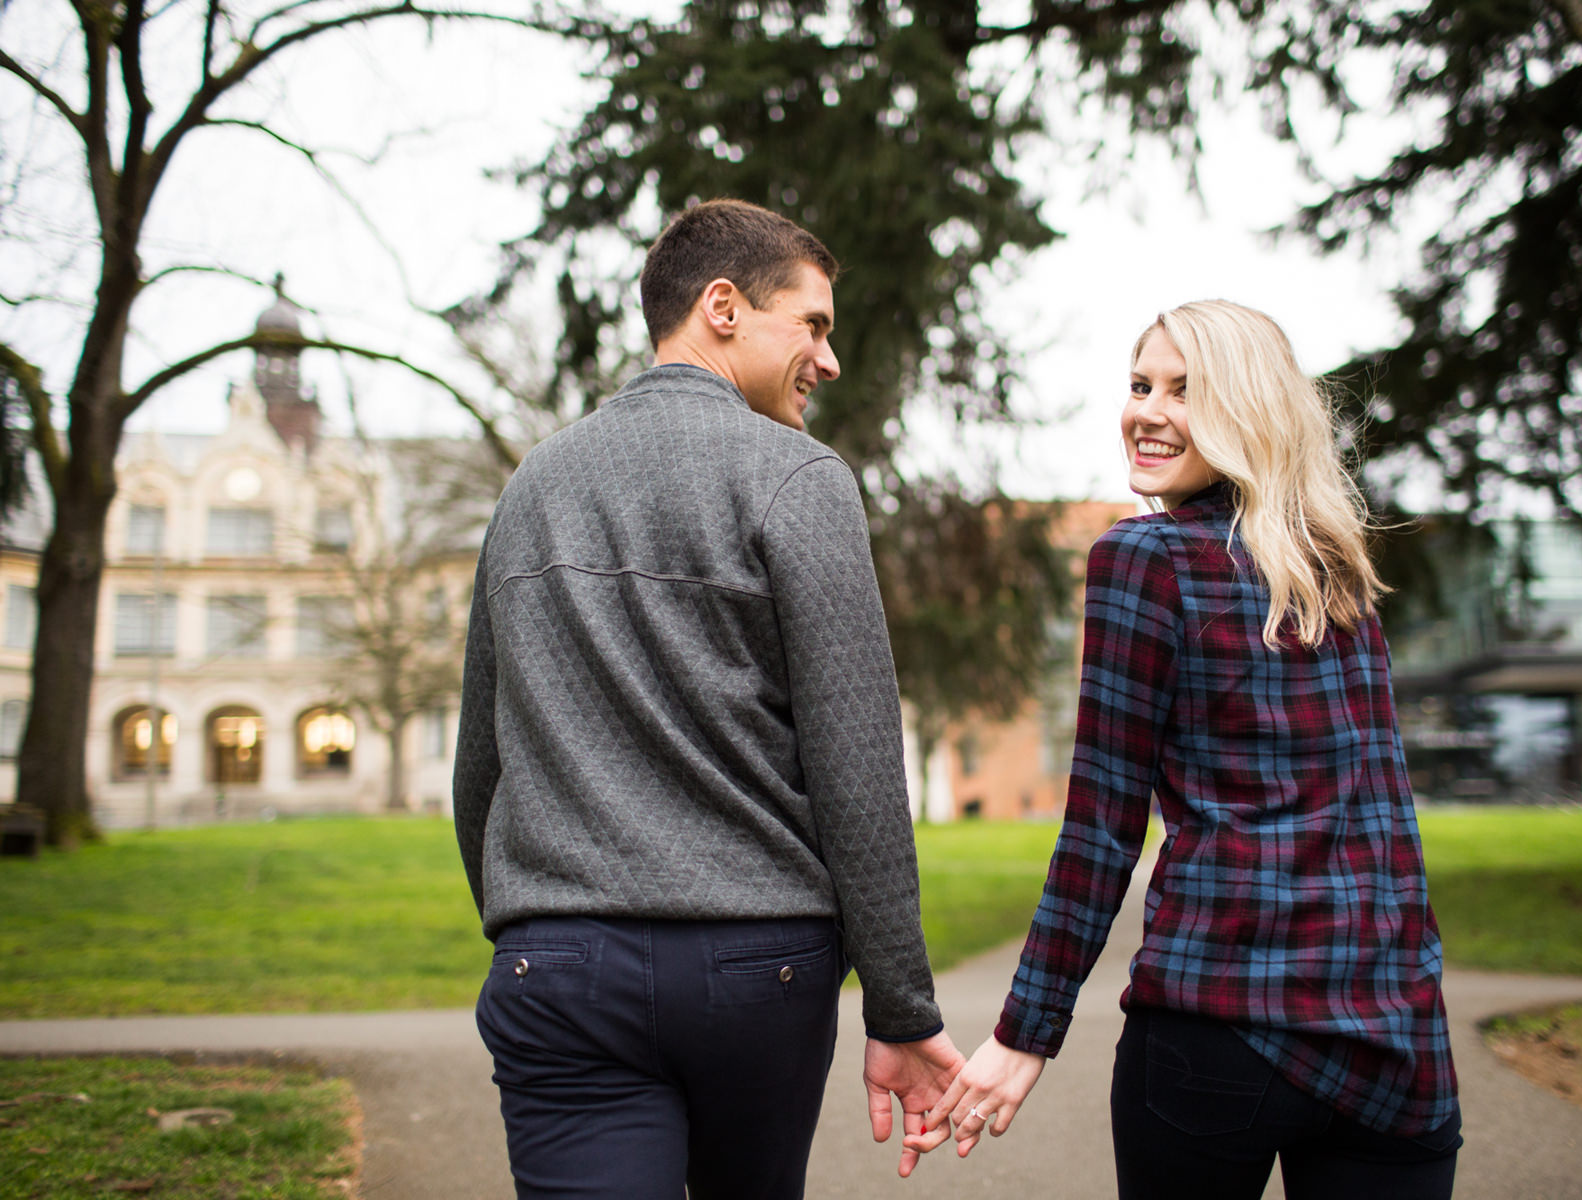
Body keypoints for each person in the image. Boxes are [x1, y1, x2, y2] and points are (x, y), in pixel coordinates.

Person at [453, 198, 962, 1200]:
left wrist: (539, 930)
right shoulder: (800, 478)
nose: (829, 359)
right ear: (722, 308)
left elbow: (482, 765)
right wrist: (900, 1007)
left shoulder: (532, 487)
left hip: (561, 964)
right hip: (758, 966)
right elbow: (857, 766)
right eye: (812, 324)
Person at [912, 300, 1461, 1198]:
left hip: (1218, 1031)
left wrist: (1025, 1032)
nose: (1148, 412)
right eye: (1140, 386)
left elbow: (1102, 823)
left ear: (1249, 411)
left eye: (1185, 391)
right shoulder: (1335, 568)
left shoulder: (1148, 558)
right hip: (1393, 1039)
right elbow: (1386, 822)